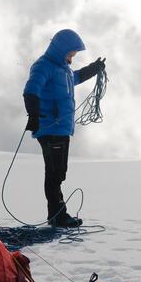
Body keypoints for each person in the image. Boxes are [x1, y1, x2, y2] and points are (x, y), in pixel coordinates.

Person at [22, 29, 105, 228]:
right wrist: (33, 116)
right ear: (61, 49)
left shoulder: (64, 69)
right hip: (50, 128)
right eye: (71, 53)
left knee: (58, 173)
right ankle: (58, 217)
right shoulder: (43, 66)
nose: (73, 57)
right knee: (54, 173)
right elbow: (30, 90)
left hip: (61, 129)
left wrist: (93, 69)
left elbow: (74, 78)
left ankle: (57, 215)